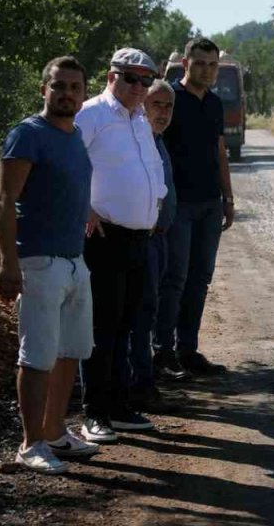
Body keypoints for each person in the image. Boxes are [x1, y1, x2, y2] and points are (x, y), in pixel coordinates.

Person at [0, 55, 98, 474]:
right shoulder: (27, 135)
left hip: (75, 261)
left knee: (71, 351)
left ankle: (55, 432)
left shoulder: (75, 136)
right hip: (38, 262)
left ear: (83, 93)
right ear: (44, 90)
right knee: (37, 356)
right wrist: (9, 264)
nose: (67, 94)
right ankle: (30, 444)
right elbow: (4, 201)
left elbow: (65, 188)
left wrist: (87, 212)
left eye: (75, 87)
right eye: (59, 86)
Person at [74, 47, 168, 443]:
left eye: (146, 80)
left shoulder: (139, 120)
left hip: (138, 239)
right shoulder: (92, 114)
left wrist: (155, 202)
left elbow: (150, 169)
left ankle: (118, 405)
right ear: (111, 76)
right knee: (103, 327)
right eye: (131, 78)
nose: (139, 87)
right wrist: (84, 208)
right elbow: (68, 163)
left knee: (127, 326)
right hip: (104, 238)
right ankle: (94, 412)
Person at [156, 38, 234, 378]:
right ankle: (162, 353)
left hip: (209, 204)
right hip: (178, 205)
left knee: (200, 279)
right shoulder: (169, 100)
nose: (207, 70)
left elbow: (220, 151)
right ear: (185, 64)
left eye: (213, 65)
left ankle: (187, 351)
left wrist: (228, 198)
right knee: (174, 279)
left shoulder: (214, 103)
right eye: (200, 63)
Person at [128, 80, 183, 411]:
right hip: (141, 239)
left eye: (168, 106)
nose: (163, 113)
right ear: (141, 106)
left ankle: (144, 379)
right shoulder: (138, 141)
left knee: (149, 309)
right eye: (156, 105)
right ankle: (139, 384)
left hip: (159, 238)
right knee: (140, 312)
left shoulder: (157, 140)